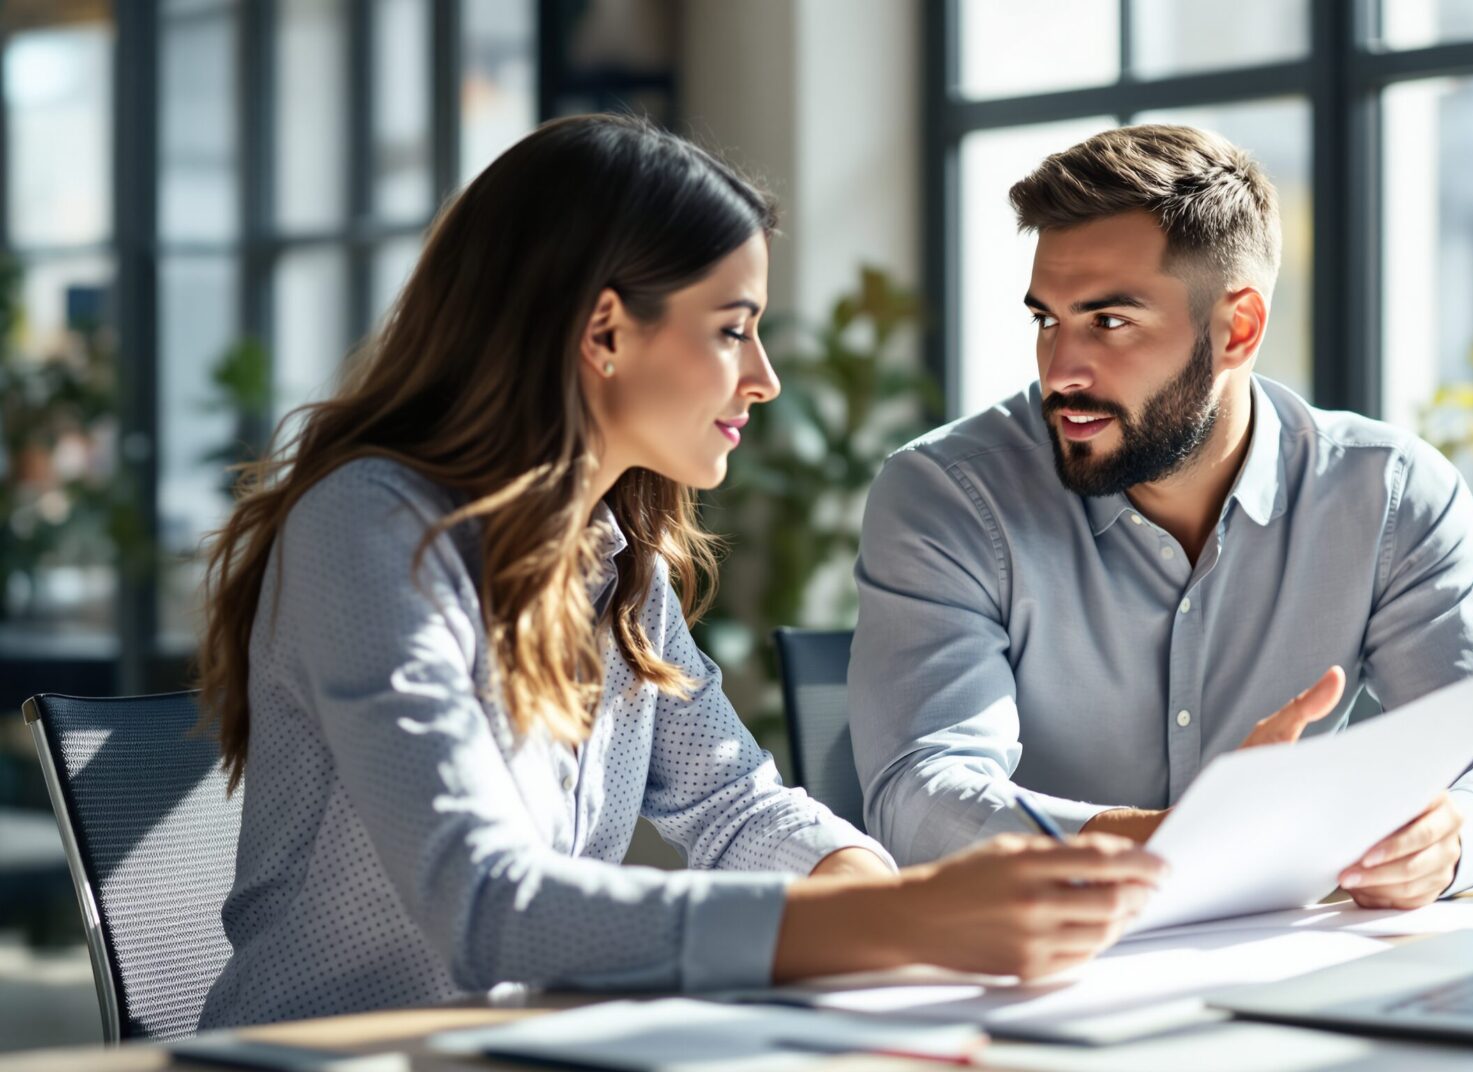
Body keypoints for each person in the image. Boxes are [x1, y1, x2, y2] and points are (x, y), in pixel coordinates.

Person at [193, 115, 1162, 1030]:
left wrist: (870, 882)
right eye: (734, 329)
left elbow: (735, 805)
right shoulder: (370, 528)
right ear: (605, 331)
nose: (765, 378)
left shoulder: (617, 563)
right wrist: (898, 919)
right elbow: (484, 902)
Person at [848, 124, 1473, 909]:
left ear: (1238, 330)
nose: (1060, 371)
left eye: (1109, 322)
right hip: (1041, 958)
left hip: (1292, 958)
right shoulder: (950, 494)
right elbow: (921, 794)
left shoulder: (1388, 497)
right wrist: (1184, 841)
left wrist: (1451, 837)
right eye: (1047, 320)